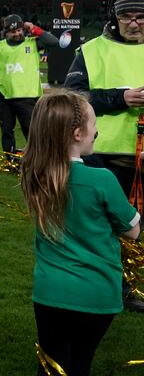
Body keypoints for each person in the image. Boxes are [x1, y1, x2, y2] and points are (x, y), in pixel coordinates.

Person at [20, 90, 141, 376]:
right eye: (92, 122)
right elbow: (134, 231)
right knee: (79, 364)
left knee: (50, 366)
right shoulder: (102, 179)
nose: (96, 129)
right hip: (96, 294)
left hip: (51, 293)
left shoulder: (34, 174)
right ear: (77, 134)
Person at [64, 0, 144, 311]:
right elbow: (73, 99)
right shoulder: (92, 50)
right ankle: (119, 288)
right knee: (107, 228)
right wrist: (119, 98)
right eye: (127, 16)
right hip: (105, 157)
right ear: (115, 16)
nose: (135, 23)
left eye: (141, 16)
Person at [0, 14, 58, 158]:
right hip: (4, 95)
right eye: (13, 32)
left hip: (27, 96)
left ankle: (37, 159)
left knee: (31, 131)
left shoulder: (32, 43)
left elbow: (54, 42)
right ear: (6, 32)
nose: (17, 34)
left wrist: (34, 28)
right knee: (7, 130)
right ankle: (10, 158)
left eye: (20, 30)